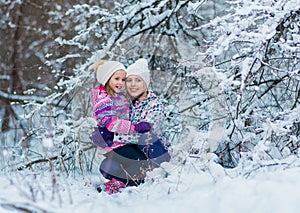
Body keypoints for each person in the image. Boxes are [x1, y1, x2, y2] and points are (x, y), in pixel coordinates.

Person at [98, 58, 170, 194]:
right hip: (137, 152)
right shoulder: (128, 104)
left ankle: (141, 177)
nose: (133, 85)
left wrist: (115, 136)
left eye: (138, 80)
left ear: (145, 83)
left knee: (146, 138)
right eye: (129, 80)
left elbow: (144, 134)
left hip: (155, 154)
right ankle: (131, 178)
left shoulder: (155, 105)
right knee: (106, 166)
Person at [90, 60, 153, 193]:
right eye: (116, 78)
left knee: (141, 161)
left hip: (122, 141)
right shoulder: (104, 100)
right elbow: (111, 123)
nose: (120, 82)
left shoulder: (117, 97)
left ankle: (111, 170)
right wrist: (135, 127)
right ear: (107, 79)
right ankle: (119, 183)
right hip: (114, 143)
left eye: (123, 79)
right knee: (142, 163)